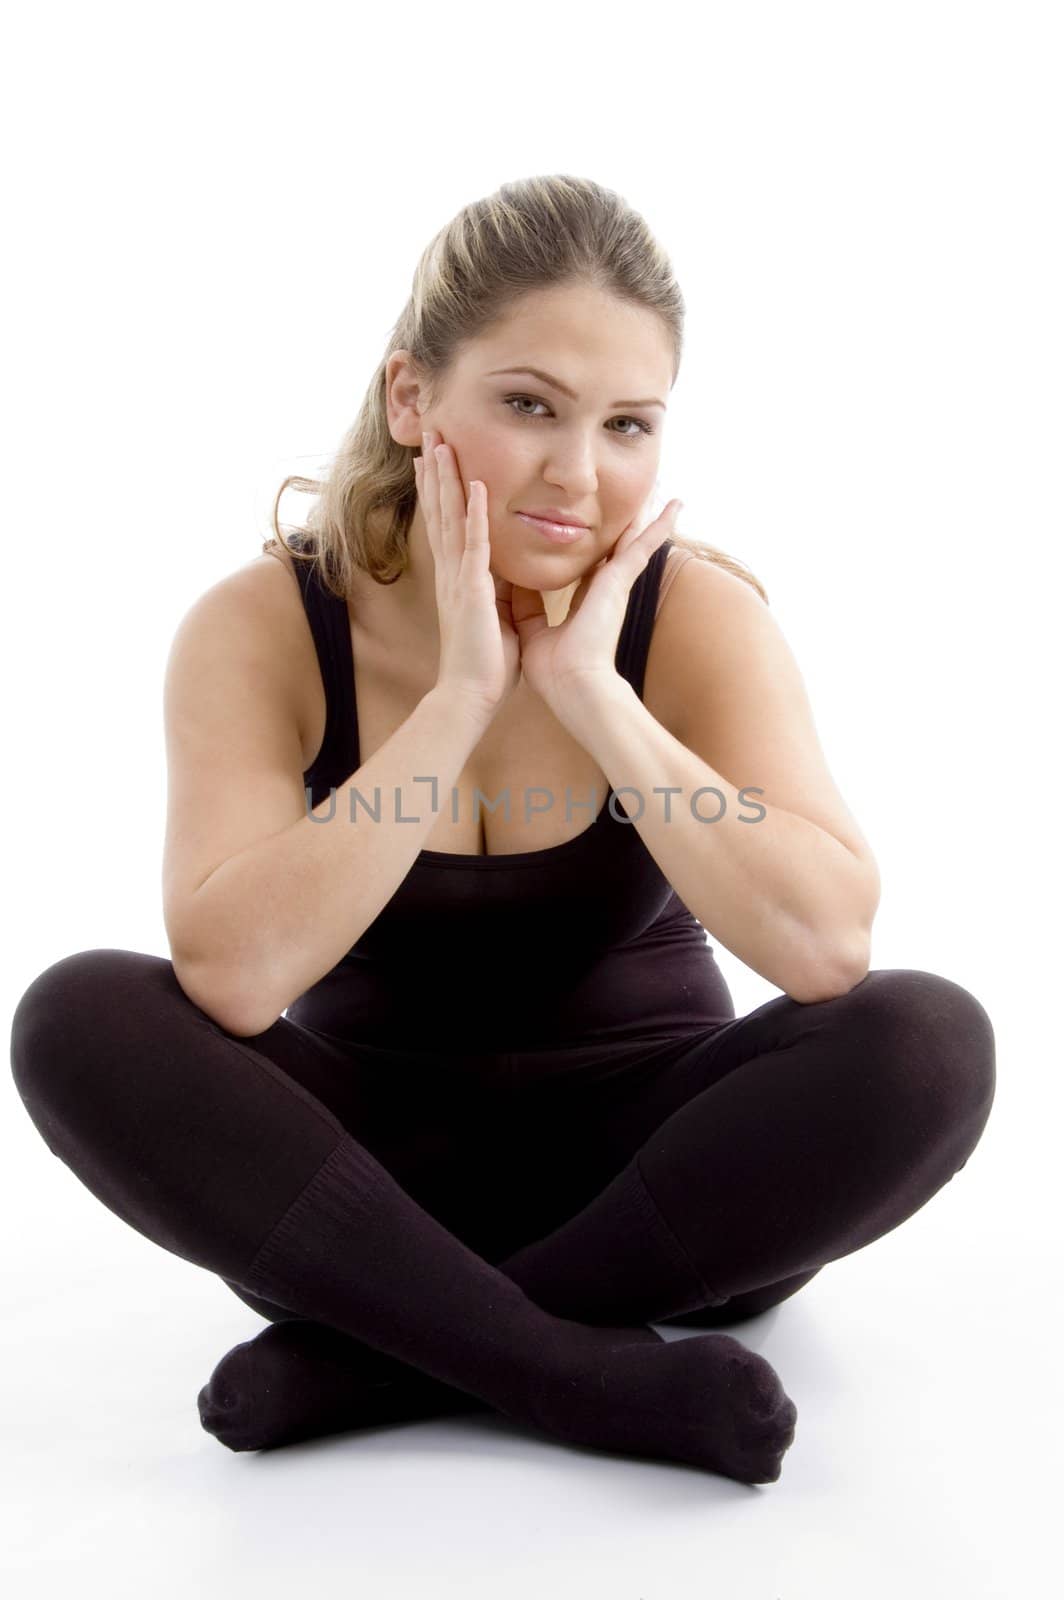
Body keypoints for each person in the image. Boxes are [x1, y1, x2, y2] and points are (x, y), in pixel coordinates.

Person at [8, 174, 995, 1487]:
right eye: (529, 405)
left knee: (929, 1042)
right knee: (78, 1016)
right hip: (361, 1181)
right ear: (412, 398)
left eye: (628, 424)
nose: (577, 474)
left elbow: (825, 945)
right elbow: (235, 976)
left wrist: (596, 696)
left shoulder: (691, 622)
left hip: (657, 1180)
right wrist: (462, 698)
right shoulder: (264, 628)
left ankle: (387, 1355)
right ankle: (576, 1370)